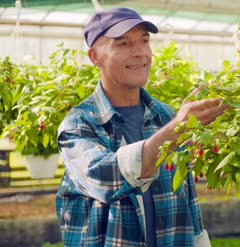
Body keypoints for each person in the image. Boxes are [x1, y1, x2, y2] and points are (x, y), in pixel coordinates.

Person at [55, 7, 227, 246]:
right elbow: (105, 178)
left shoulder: (165, 116)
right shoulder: (79, 124)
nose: (139, 53)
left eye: (144, 41)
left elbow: (186, 194)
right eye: (123, 44)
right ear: (94, 57)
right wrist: (177, 129)